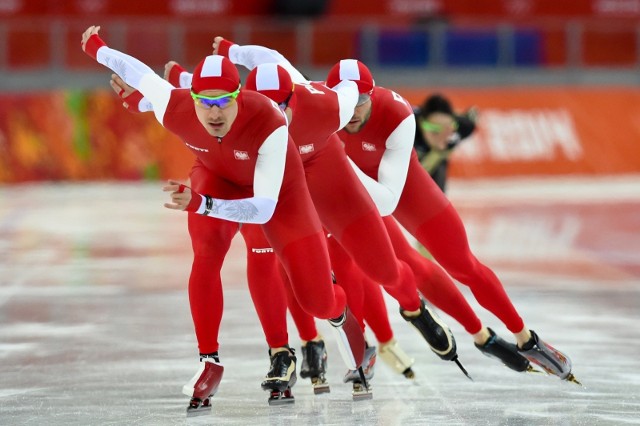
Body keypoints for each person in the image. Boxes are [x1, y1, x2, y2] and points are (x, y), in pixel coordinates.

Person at [80, 25, 369, 415]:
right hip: (216, 174)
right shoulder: (177, 105)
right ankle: (209, 360)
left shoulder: (272, 122)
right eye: (204, 102)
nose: (213, 113)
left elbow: (263, 209)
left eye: (223, 103)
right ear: (193, 97)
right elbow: (139, 74)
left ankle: (341, 317)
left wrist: (201, 203)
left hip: (278, 191)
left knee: (316, 300)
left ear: (241, 96)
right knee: (207, 248)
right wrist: (96, 47)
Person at [164, 38, 456, 394]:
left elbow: (278, 60)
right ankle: (288, 350)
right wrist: (180, 75)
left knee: (379, 270)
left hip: (327, 183)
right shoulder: (238, 114)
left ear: (294, 100)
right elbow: (203, 95)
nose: (272, 118)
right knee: (268, 260)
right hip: (282, 190)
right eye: (261, 108)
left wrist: (232, 49)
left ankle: (414, 308)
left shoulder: (323, 105)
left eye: (281, 108)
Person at [326, 59, 580, 384]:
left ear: (372, 95)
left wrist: (341, 161)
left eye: (363, 100)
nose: (355, 109)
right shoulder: (323, 113)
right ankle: (468, 333)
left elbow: (387, 201)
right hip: (355, 195)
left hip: (403, 189)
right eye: (349, 101)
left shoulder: (397, 113)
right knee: (400, 265)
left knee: (462, 265)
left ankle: (525, 337)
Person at [413, 94, 478, 192]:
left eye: (447, 129)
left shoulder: (459, 130)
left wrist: (437, 154)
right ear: (421, 123)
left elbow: (472, 118)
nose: (441, 136)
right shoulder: (407, 127)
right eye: (435, 129)